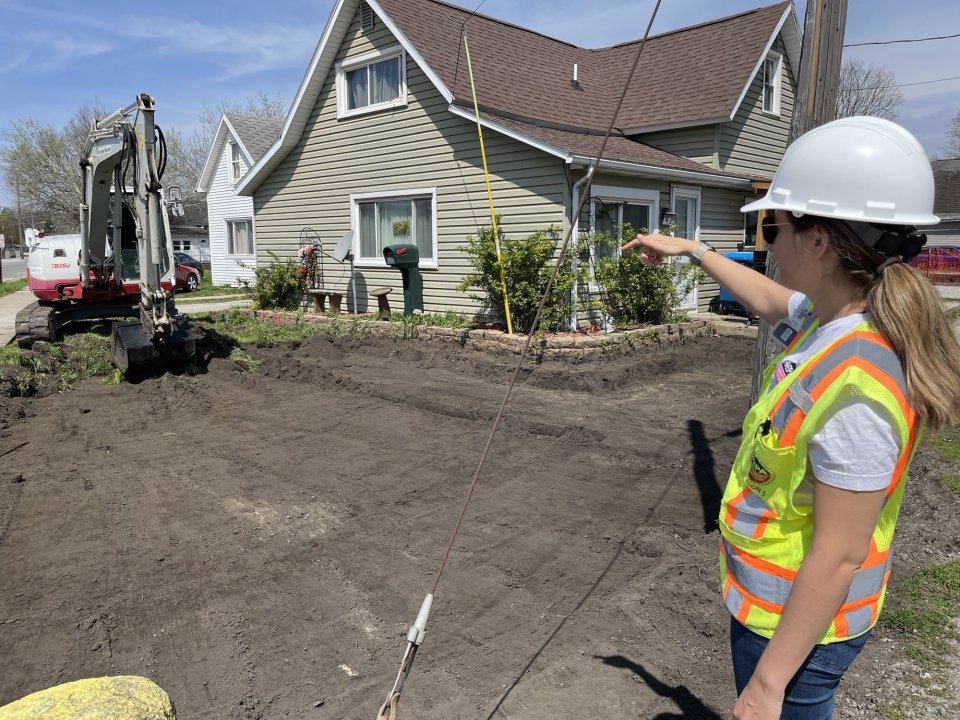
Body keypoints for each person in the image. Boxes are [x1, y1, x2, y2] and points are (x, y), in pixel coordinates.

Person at [621, 116, 960, 720]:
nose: (765, 242)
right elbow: (763, 297)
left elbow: (839, 553)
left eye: (771, 226)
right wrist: (693, 250)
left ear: (819, 240)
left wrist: (769, 683)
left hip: (798, 630)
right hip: (781, 614)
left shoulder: (858, 385)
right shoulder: (831, 319)